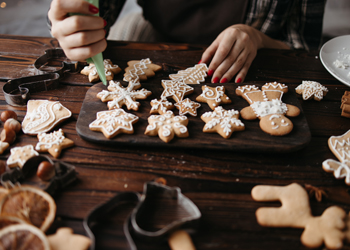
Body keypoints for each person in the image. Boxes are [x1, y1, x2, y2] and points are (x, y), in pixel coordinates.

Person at [48, 0, 326, 84]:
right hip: (159, 32)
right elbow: (96, 11)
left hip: (260, 49)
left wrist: (255, 37)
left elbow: (302, 51)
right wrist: (71, 23)